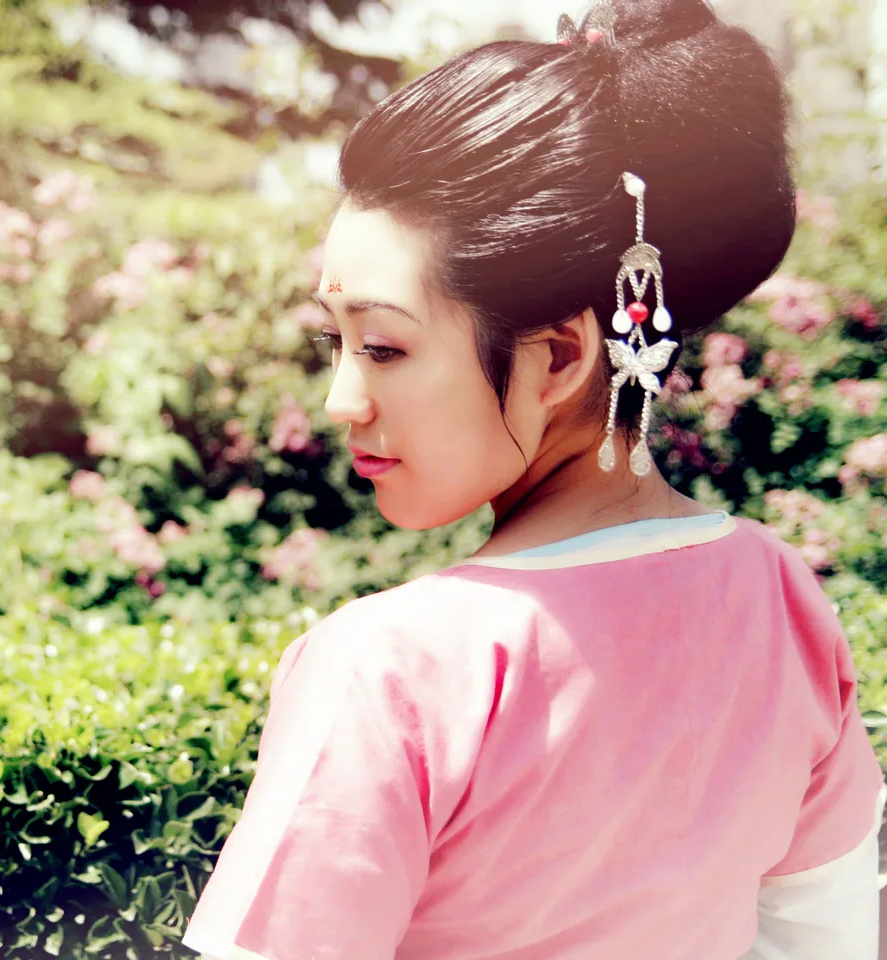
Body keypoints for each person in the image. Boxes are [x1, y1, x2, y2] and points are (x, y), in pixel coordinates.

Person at [178, 1, 886, 958]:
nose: (342, 399)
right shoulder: (779, 600)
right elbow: (824, 938)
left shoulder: (390, 671)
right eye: (332, 342)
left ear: (558, 356)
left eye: (383, 347)